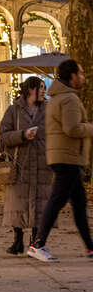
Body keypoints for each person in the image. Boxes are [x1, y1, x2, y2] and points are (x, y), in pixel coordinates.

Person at [28, 59, 93, 262]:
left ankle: (90, 247)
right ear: (72, 77)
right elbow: (72, 128)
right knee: (57, 201)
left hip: (63, 155)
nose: (83, 77)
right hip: (67, 156)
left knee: (79, 202)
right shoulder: (69, 99)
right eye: (80, 73)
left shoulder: (58, 97)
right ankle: (38, 243)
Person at [0, 76, 52, 254]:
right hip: (20, 164)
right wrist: (22, 135)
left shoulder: (49, 110)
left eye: (44, 88)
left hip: (42, 163)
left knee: (41, 203)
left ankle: (36, 240)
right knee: (18, 203)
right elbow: (3, 135)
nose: (44, 91)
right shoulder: (14, 110)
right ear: (30, 90)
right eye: (40, 88)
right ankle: (17, 240)